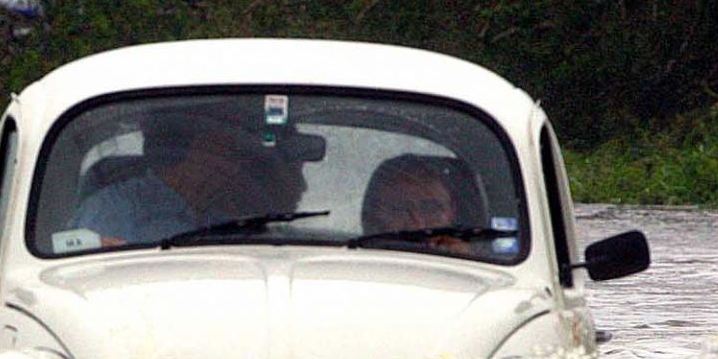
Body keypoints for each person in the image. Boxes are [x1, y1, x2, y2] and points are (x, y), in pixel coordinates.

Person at [72, 108, 304, 247]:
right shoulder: (115, 209)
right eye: (230, 151)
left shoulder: (219, 218)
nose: (236, 167)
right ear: (203, 148)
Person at [360, 154, 468, 251]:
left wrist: (464, 259)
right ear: (372, 217)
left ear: (451, 214)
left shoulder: (477, 268)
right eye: (400, 209)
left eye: (431, 210)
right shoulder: (349, 265)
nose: (417, 225)